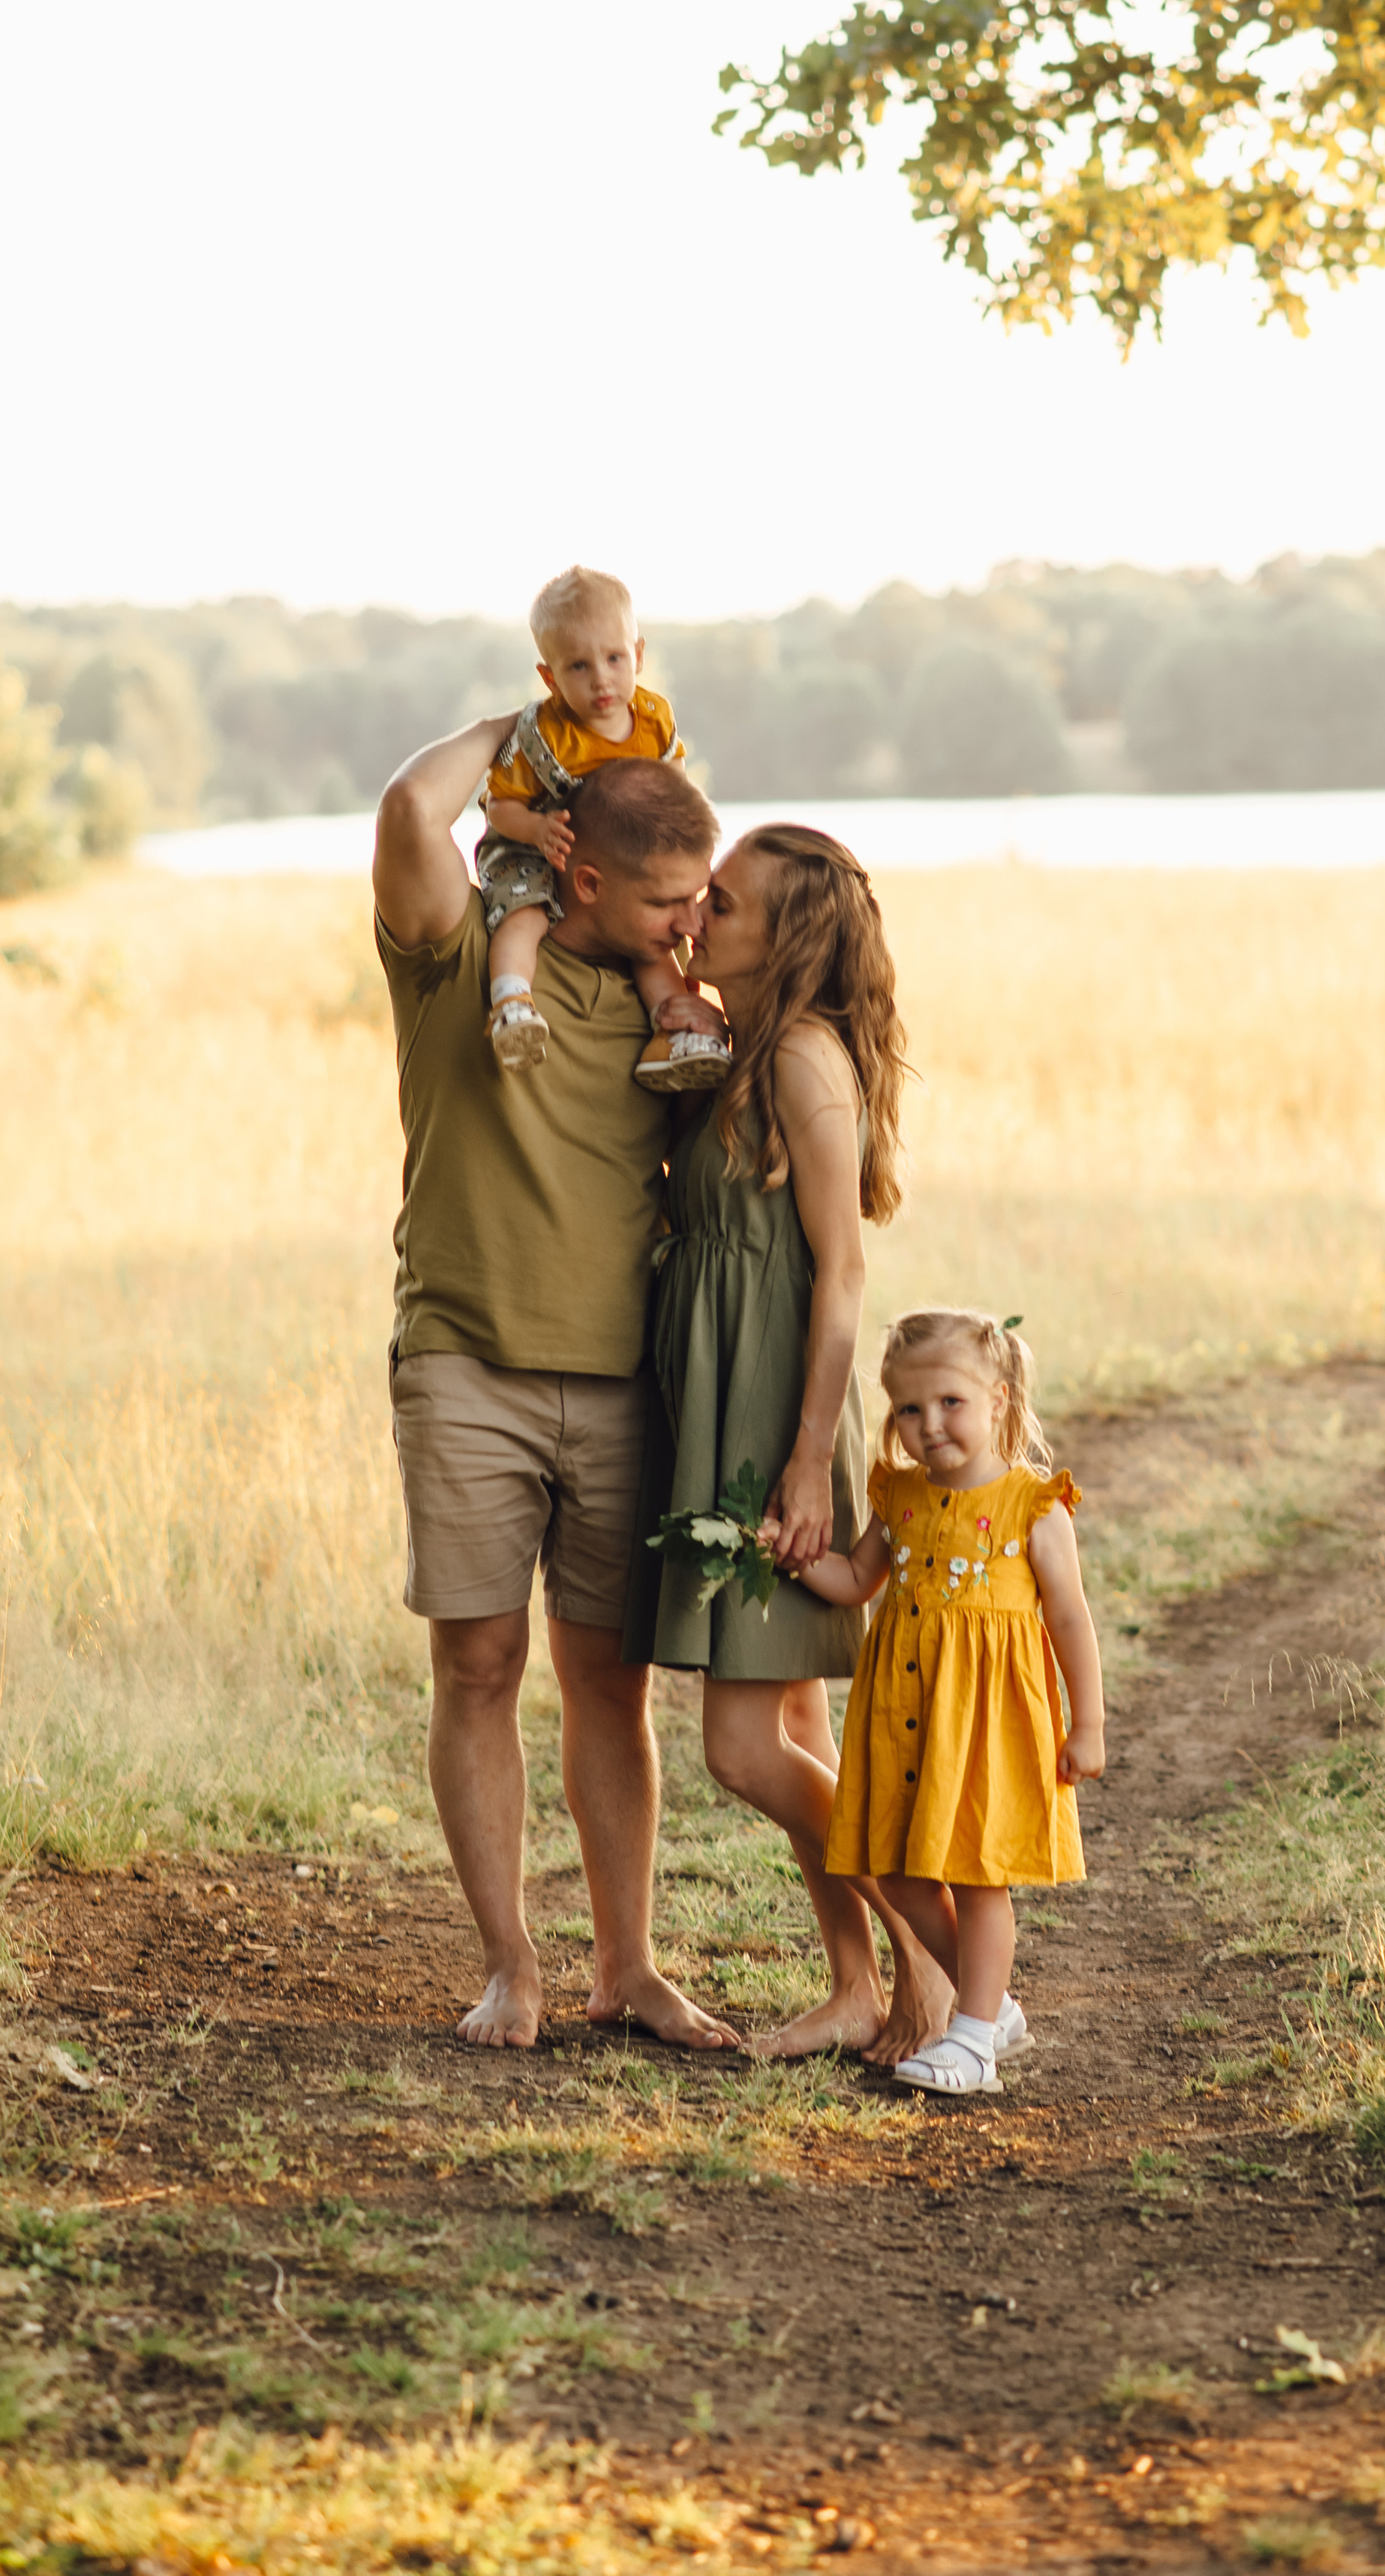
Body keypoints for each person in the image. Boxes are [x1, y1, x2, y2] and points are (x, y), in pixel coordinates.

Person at [373, 714, 739, 2055]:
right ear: (582, 877)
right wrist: (535, 736)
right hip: (466, 1362)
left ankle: (628, 1966)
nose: (692, 918)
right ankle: (510, 1964)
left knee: (610, 1683)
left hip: (624, 1380)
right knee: (477, 1663)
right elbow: (414, 812)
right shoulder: (464, 957)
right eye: (666, 896)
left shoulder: (677, 1009)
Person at [623, 824, 954, 2063]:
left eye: (728, 899)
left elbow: (842, 1273)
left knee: (745, 1745)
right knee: (803, 1724)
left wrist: (809, 1459)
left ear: (791, 934)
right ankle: (864, 1988)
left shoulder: (806, 1061)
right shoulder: (733, 1044)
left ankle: (954, 1960)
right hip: (719, 1398)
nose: (700, 909)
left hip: (773, 1416)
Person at [801, 1308, 1108, 2095]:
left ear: (998, 1399)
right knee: (897, 1872)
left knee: (977, 1876)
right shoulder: (899, 1497)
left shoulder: (1032, 1506)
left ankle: (972, 2042)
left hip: (985, 1725)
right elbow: (854, 1581)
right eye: (908, 1409)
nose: (927, 1425)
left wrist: (1089, 1724)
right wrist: (793, 1555)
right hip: (904, 1717)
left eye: (949, 1404)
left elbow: (1070, 1619)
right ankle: (990, 2002)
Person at [478, 564, 729, 1092]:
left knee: (654, 944)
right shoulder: (546, 735)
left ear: (638, 655)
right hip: (538, 847)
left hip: (623, 859)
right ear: (549, 678)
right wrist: (537, 828)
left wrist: (678, 822)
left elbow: (672, 770)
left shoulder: (653, 716)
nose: (601, 679)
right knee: (523, 916)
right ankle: (511, 1001)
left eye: (614, 659)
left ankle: (675, 1029)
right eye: (578, 666)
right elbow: (499, 805)